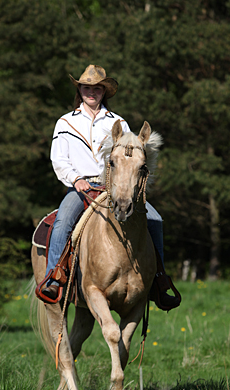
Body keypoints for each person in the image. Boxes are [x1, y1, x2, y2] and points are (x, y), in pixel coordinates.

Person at [41, 64, 180, 311]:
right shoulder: (65, 122)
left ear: (104, 92)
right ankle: (55, 277)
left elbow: (130, 156)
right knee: (63, 222)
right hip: (81, 188)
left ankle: (158, 280)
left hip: (115, 188)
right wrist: (76, 179)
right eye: (86, 87)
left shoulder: (119, 122)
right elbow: (59, 159)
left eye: (96, 88)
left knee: (155, 220)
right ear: (80, 89)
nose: (91, 92)